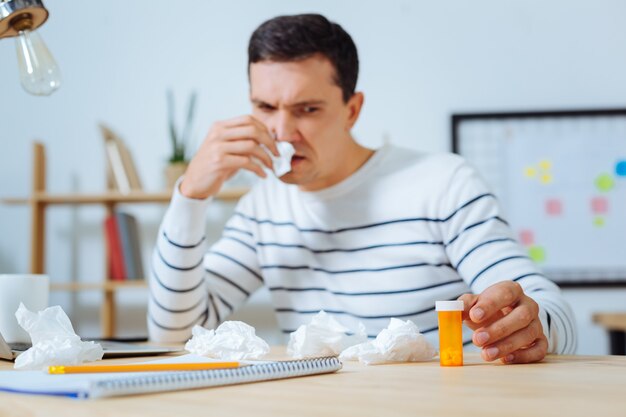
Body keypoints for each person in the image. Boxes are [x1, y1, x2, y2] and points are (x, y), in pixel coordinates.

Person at [149, 13, 576, 363]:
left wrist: (532, 325)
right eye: (265, 107)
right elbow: (173, 335)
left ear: (352, 110)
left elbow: (553, 313)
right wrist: (190, 197)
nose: (282, 133)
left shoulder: (442, 185)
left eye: (308, 109)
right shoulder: (264, 207)